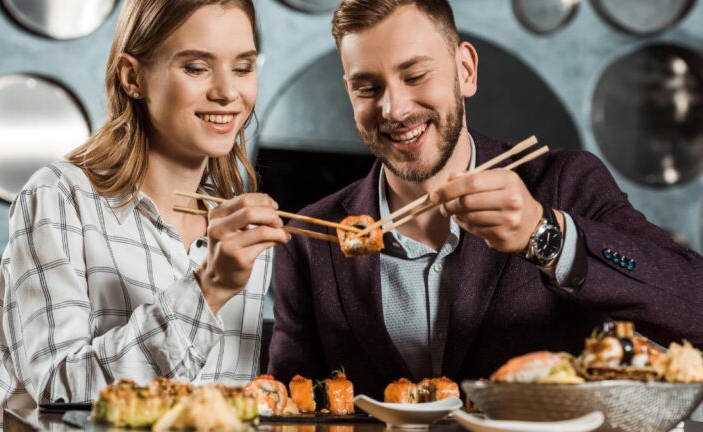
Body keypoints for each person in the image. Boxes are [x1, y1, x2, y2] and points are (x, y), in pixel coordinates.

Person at [268, 0, 703, 399]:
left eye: (415, 75)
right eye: (367, 87)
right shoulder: (311, 238)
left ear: (465, 70)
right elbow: (293, 409)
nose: (394, 109)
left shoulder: (563, 183)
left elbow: (694, 306)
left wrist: (545, 234)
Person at [0, 1, 289, 429]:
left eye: (242, 67)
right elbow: (58, 391)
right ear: (133, 77)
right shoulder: (59, 197)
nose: (227, 92)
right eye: (197, 68)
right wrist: (208, 289)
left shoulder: (238, 227)